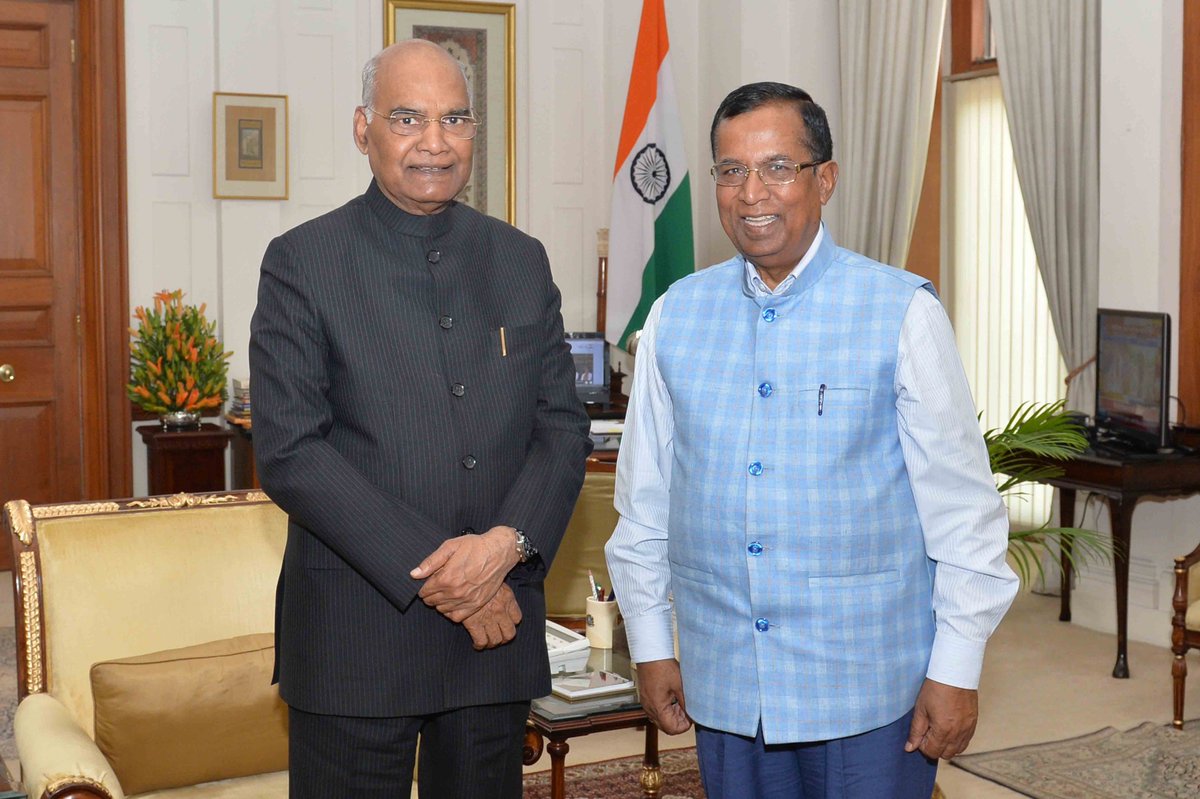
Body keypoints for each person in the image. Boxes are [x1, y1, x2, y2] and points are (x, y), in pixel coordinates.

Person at [605, 81, 1019, 798]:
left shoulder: (901, 312)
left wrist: (955, 668)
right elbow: (644, 503)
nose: (751, 192)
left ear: (824, 179)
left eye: (777, 167)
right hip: (730, 685)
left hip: (865, 693)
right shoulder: (675, 316)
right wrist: (649, 643)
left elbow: (964, 513)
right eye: (730, 171)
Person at [249, 40, 591, 798]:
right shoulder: (302, 262)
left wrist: (505, 545)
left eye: (454, 119)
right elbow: (292, 452)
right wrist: (456, 577)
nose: (433, 142)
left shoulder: (520, 259)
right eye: (407, 118)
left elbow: (562, 427)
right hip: (357, 638)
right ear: (363, 127)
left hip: (492, 637)